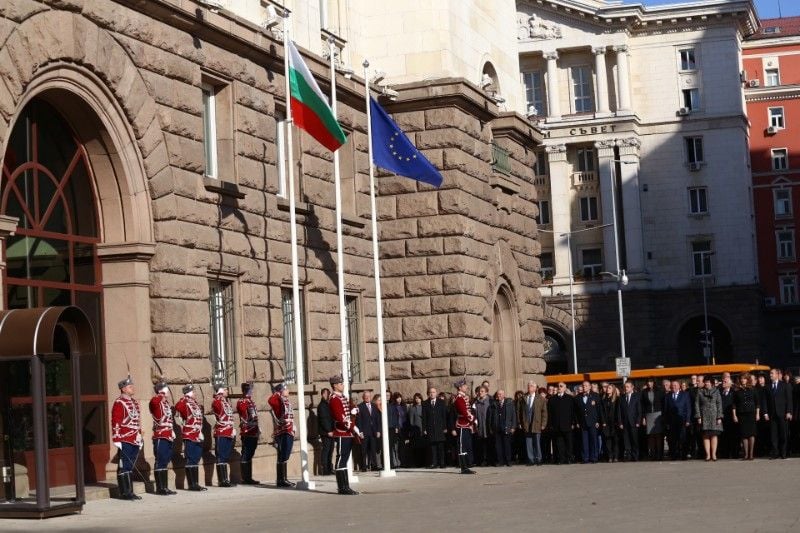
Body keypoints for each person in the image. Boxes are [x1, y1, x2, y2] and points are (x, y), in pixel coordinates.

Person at [329, 374, 362, 495]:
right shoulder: (334, 399)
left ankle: (346, 486)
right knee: (341, 459)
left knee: (345, 458)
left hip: (347, 432)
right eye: (341, 384)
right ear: (335, 385)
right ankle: (342, 487)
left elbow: (348, 412)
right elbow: (340, 418)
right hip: (341, 432)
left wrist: (354, 410)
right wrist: (353, 427)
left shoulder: (342, 397)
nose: (342, 385)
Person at [112, 375, 143, 500]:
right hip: (125, 438)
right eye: (130, 387)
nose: (132, 388)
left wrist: (139, 434)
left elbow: (137, 421)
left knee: (130, 465)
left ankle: (130, 491)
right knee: (125, 464)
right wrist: (117, 438)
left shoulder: (134, 402)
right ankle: (125, 492)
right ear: (123, 389)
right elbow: (116, 421)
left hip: (134, 437)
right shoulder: (119, 403)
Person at [175, 384, 207, 491]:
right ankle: (191, 484)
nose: (195, 394)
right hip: (189, 434)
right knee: (191, 459)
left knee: (196, 459)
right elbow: (178, 407)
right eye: (193, 392)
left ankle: (196, 483)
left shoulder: (194, 404)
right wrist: (185, 397)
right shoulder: (185, 403)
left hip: (197, 434)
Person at [149, 380, 177, 495]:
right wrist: (161, 393)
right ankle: (160, 488)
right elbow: (153, 403)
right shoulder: (156, 401)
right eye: (166, 389)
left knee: (165, 461)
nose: (168, 392)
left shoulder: (165, 404)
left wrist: (171, 430)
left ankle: (164, 487)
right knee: (160, 460)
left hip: (168, 434)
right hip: (160, 434)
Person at [268, 382, 296, 487]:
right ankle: (281, 480)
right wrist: (277, 392)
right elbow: (271, 401)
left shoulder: (285, 401)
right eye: (286, 389)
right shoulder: (278, 400)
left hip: (288, 429)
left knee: (285, 454)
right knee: (283, 454)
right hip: (283, 430)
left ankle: (283, 479)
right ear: (281, 391)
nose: (288, 390)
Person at [765, 368, 793, 459]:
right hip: (772, 414)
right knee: (774, 435)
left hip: (783, 413)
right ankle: (775, 453)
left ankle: (783, 453)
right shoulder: (768, 387)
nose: (770, 375)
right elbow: (765, 401)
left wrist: (789, 411)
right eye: (770, 374)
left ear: (777, 374)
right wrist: (765, 413)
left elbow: (789, 400)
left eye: (772, 373)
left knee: (783, 434)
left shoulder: (785, 385)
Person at [211, 381, 236, 487]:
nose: (227, 391)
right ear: (221, 390)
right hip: (221, 431)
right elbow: (216, 406)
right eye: (225, 389)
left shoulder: (225, 401)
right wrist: (219, 395)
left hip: (228, 431)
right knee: (221, 456)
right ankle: (222, 480)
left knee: (225, 456)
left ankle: (226, 479)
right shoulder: (217, 401)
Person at [236, 381, 261, 484]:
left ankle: (249, 477)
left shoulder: (250, 401)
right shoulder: (242, 402)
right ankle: (245, 478)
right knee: (246, 454)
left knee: (250, 453)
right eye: (250, 389)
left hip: (253, 430)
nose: (251, 391)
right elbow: (244, 415)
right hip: (247, 431)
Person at [694, 377, 723, 461]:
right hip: (704, 416)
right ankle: (708, 455)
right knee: (705, 435)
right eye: (705, 382)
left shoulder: (716, 391)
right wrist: (698, 416)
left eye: (708, 382)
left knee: (714, 435)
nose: (706, 383)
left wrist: (719, 416)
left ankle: (714, 454)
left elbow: (719, 404)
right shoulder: (700, 391)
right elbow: (696, 404)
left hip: (714, 416)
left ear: (712, 383)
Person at [518, 381, 547, 466]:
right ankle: (530, 459)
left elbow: (544, 413)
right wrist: (519, 422)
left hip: (536, 423)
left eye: (530, 386)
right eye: (528, 386)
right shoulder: (523, 398)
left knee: (537, 442)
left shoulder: (541, 399)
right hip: (527, 423)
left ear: (535, 388)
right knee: (528, 442)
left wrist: (543, 424)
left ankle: (538, 458)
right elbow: (519, 411)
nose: (529, 388)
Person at [732, 372, 759, 461]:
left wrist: (757, 414)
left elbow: (757, 403)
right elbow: (734, 405)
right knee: (744, 434)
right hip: (742, 414)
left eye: (744, 378)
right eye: (741, 378)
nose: (743, 380)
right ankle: (746, 454)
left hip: (751, 413)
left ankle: (751, 454)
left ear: (747, 379)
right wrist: (734, 415)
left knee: (751, 434)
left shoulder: (753, 389)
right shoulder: (737, 391)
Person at [453, 377, 476, 474]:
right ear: (460, 387)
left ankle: (466, 466)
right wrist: (473, 419)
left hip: (466, 424)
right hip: (462, 424)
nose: (466, 387)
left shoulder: (463, 397)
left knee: (465, 446)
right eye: (464, 386)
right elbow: (464, 412)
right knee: (462, 446)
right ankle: (463, 467)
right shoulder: (459, 398)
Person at [488, 389, 516, 466]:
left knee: (507, 445)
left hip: (506, 427)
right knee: (498, 446)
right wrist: (491, 428)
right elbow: (491, 417)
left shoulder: (509, 403)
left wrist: (513, 427)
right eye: (498, 394)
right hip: (497, 428)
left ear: (504, 395)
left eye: (500, 394)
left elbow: (513, 416)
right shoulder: (494, 404)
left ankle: (508, 461)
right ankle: (500, 461)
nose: (499, 396)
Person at [664, 380, 691, 460]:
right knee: (673, 439)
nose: (674, 387)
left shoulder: (685, 395)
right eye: (672, 385)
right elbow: (666, 410)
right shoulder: (668, 396)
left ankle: (683, 455)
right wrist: (666, 422)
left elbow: (688, 408)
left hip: (682, 420)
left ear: (679, 386)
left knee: (682, 438)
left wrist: (688, 420)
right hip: (672, 421)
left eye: (675, 385)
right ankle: (674, 455)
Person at [548, 382, 575, 465]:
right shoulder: (552, 399)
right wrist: (550, 424)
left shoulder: (570, 398)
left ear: (565, 388)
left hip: (567, 424)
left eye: (561, 386)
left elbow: (573, 412)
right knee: (559, 444)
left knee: (569, 443)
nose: (559, 387)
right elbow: (550, 413)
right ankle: (561, 459)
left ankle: (569, 458)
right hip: (557, 425)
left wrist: (573, 422)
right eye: (558, 386)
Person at [575, 380, 601, 464]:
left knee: (593, 440)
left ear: (590, 387)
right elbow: (576, 411)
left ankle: (594, 457)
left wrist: (598, 421)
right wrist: (577, 422)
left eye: (586, 385)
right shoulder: (578, 397)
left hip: (593, 422)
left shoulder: (596, 396)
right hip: (583, 422)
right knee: (584, 441)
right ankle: (585, 458)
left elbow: (599, 410)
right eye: (583, 386)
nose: (584, 387)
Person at [422, 387, 448, 468]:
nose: (432, 394)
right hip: (430, 428)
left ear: (436, 393)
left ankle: (442, 463)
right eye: (430, 392)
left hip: (440, 428)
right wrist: (424, 429)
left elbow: (444, 416)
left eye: (433, 392)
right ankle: (434, 463)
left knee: (440, 447)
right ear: (428, 394)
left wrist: (445, 427)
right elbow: (424, 417)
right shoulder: (425, 403)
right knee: (432, 447)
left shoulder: (441, 402)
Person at [641, 377, 665, 461]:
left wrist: (663, 416)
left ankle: (659, 455)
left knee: (658, 435)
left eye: (651, 382)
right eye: (648, 382)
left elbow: (663, 404)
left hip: (658, 414)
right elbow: (643, 406)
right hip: (648, 415)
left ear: (654, 382)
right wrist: (643, 417)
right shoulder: (644, 392)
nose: (649, 383)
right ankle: (653, 454)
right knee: (651, 436)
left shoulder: (660, 391)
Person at [357, 390, 381, 471]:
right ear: (363, 397)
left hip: (373, 431)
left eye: (368, 396)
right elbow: (359, 420)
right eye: (365, 396)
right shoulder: (360, 406)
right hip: (364, 431)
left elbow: (377, 419)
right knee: (364, 450)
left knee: (373, 450)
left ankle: (374, 465)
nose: (367, 398)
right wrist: (360, 432)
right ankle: (364, 466)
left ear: (370, 397)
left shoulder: (374, 406)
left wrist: (378, 430)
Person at [619, 380, 641, 461]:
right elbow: (619, 411)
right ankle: (629, 456)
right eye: (625, 387)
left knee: (634, 440)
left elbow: (639, 410)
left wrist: (638, 421)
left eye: (628, 387)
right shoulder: (622, 397)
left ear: (632, 387)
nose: (626, 388)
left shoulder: (636, 396)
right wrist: (620, 422)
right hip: (625, 423)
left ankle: (635, 456)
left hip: (634, 422)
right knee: (626, 440)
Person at [601, 384, 621, 462]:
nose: (607, 389)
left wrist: (618, 422)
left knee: (615, 440)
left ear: (613, 390)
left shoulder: (617, 399)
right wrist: (603, 421)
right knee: (608, 440)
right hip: (606, 423)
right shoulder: (603, 399)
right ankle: (610, 456)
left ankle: (616, 456)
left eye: (609, 388)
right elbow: (601, 412)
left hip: (614, 423)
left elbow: (618, 411)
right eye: (607, 388)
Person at [472, 386, 492, 466]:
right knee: (481, 445)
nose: (480, 392)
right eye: (480, 391)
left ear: (486, 392)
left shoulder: (490, 401)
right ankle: (482, 460)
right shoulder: (476, 403)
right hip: (480, 427)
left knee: (489, 444)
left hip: (488, 426)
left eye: (482, 391)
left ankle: (490, 460)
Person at [317, 387, 334, 475]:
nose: (328, 395)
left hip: (331, 431)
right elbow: (324, 420)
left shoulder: (328, 404)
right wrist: (328, 431)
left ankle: (330, 468)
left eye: (329, 394)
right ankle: (325, 470)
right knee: (326, 450)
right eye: (327, 394)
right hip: (326, 432)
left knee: (330, 451)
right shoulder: (322, 405)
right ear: (323, 394)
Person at [719, 375, 737, 458]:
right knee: (724, 436)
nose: (723, 383)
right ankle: (725, 453)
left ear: (730, 383)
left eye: (725, 382)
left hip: (731, 417)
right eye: (723, 381)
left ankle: (734, 453)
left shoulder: (734, 392)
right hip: (723, 417)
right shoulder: (720, 392)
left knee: (733, 435)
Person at [388, 392, 407, 468]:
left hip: (402, 429)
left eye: (400, 397)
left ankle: (402, 462)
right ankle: (395, 462)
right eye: (397, 398)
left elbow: (405, 418)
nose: (399, 399)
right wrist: (396, 427)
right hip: (395, 428)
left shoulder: (403, 406)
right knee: (394, 447)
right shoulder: (392, 406)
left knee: (402, 447)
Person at [407, 393, 425, 467]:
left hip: (424, 430)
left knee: (424, 447)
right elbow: (411, 421)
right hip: (416, 431)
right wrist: (412, 431)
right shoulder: (412, 408)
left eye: (419, 398)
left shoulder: (424, 407)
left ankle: (424, 462)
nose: (417, 399)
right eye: (416, 398)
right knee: (417, 448)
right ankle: (418, 463)